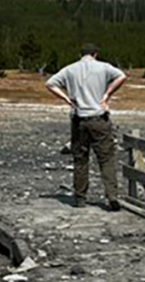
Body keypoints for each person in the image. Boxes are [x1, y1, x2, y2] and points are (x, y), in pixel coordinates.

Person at [46, 43, 128, 211]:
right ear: (95, 54)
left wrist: (67, 99)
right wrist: (106, 95)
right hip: (99, 118)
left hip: (78, 119)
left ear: (80, 54)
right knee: (106, 159)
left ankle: (80, 198)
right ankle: (112, 196)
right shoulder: (104, 67)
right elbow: (121, 76)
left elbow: (50, 83)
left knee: (80, 159)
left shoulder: (70, 69)